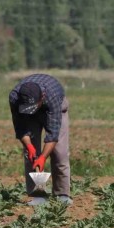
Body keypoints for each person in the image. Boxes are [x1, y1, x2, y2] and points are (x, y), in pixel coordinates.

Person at [9, 74, 72, 205]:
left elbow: (53, 134)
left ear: (41, 98)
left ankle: (62, 194)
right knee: (31, 156)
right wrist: (30, 147)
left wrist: (43, 157)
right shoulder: (15, 98)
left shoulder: (52, 96)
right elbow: (20, 127)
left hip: (56, 108)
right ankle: (38, 195)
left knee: (60, 153)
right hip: (30, 113)